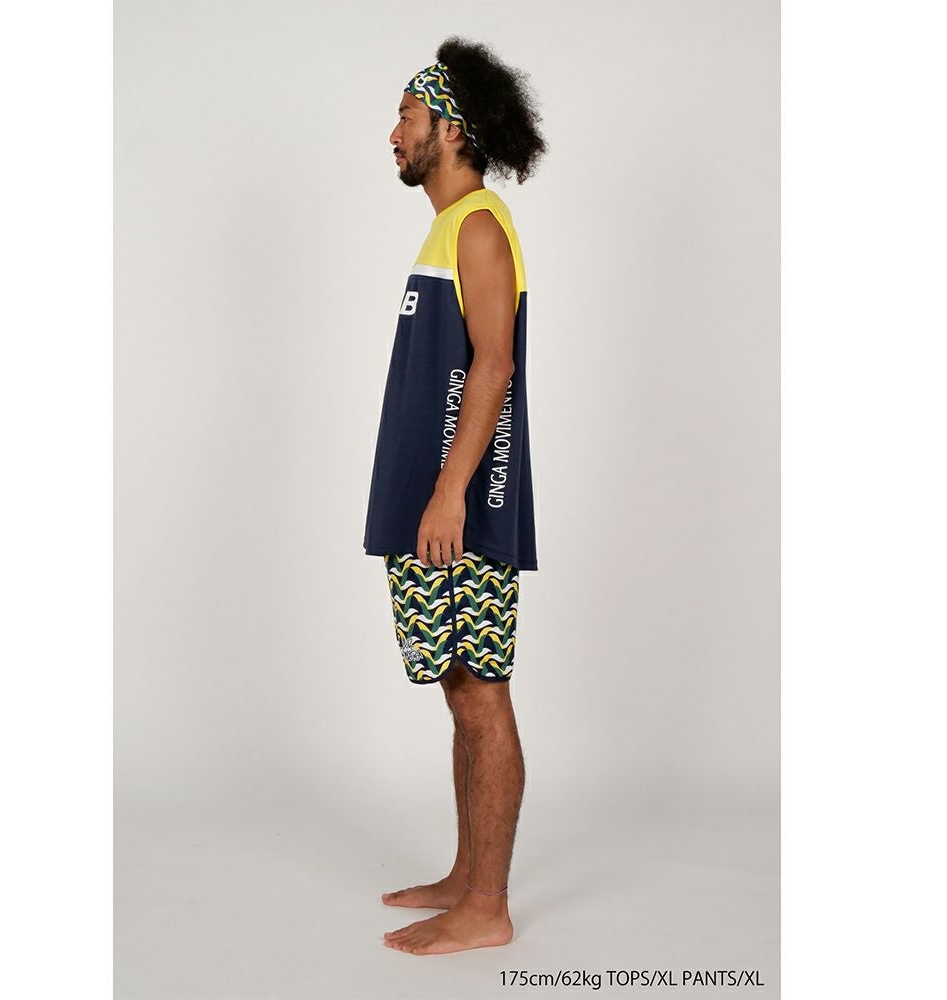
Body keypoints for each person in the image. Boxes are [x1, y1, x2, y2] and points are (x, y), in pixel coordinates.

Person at [362, 36, 547, 955]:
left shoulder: (477, 225)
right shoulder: (452, 227)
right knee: (460, 689)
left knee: (482, 695)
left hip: (465, 505)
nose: (393, 132)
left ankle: (489, 906)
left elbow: (494, 365)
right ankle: (467, 874)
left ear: (451, 127)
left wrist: (448, 494)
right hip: (442, 501)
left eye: (407, 115)